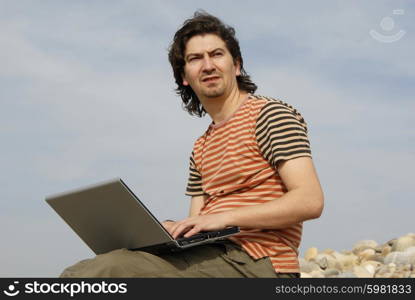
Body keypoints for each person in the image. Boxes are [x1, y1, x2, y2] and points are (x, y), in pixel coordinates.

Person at [60, 11, 324, 278]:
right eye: (195, 59)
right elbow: (199, 221)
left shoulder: (270, 115)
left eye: (217, 54)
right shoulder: (201, 146)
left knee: (110, 270)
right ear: (184, 76)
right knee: (85, 270)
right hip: (208, 254)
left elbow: (310, 201)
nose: (207, 65)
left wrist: (224, 217)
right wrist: (172, 230)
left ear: (237, 65)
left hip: (258, 260)